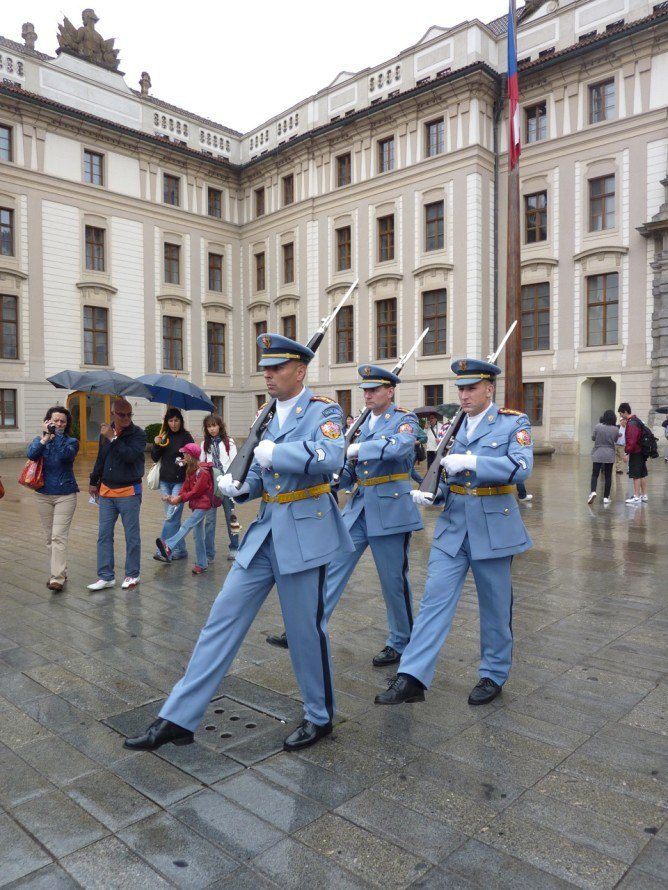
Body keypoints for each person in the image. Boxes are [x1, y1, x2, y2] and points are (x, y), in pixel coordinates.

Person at [124, 332, 355, 754]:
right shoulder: (264, 416)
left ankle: (319, 717)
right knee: (221, 618)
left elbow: (331, 458)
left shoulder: (325, 411)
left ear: (300, 371)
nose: (267, 374)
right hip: (266, 532)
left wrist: (274, 455)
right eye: (265, 367)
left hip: (305, 531)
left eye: (277, 367)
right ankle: (179, 716)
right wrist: (238, 486)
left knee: (305, 632)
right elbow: (257, 478)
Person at [375, 357, 533, 708]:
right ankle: (412, 677)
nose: (463, 395)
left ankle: (493, 672)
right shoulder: (454, 427)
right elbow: (448, 476)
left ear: (488, 388)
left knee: (494, 606)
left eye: (471, 388)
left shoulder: (512, 422)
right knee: (434, 600)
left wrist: (476, 462)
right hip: (453, 527)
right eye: (460, 388)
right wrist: (435, 494)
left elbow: (522, 467)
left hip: (494, 526)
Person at [267, 365, 423, 665]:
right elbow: (350, 470)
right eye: (365, 390)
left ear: (390, 391)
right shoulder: (362, 422)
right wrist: (336, 475)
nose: (368, 394)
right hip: (359, 507)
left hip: (390, 508)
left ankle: (401, 640)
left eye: (374, 389)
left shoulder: (404, 418)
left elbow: (401, 446)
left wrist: (357, 450)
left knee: (392, 580)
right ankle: (307, 627)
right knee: (334, 568)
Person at [87, 398, 146, 591]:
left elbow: (130, 456)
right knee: (104, 535)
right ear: (113, 414)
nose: (127, 417)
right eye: (122, 414)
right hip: (106, 492)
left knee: (132, 535)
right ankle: (106, 576)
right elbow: (101, 458)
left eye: (129, 414)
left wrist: (113, 438)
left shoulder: (138, 434)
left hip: (129, 491)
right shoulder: (105, 432)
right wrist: (93, 481)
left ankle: (132, 574)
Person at [26, 406, 79, 591]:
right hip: (43, 494)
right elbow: (31, 454)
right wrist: (45, 438)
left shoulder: (71, 441)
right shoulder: (40, 440)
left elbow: (66, 456)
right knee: (50, 537)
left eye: (62, 421)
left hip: (65, 494)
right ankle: (61, 570)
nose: (58, 424)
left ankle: (57, 578)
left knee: (58, 536)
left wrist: (55, 438)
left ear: (66, 424)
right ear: (47, 421)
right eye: (55, 420)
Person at [156, 443, 219, 574]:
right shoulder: (190, 469)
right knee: (197, 535)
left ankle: (169, 546)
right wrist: (173, 498)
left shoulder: (203, 472)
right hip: (196, 505)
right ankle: (202, 563)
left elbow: (196, 491)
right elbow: (185, 487)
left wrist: (179, 498)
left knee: (186, 525)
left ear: (191, 456)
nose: (183, 455)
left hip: (203, 505)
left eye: (185, 453)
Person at [150, 408, 194, 561]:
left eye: (176, 420)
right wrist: (156, 444)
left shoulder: (186, 436)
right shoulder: (164, 436)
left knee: (171, 517)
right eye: (170, 421)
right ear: (166, 422)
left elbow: (193, 456)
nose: (173, 424)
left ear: (180, 421)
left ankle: (161, 548)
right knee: (172, 518)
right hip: (164, 482)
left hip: (179, 481)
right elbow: (155, 458)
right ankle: (180, 550)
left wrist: (185, 460)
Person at [200, 414, 239, 561]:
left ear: (220, 426)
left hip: (227, 485)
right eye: (209, 426)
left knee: (231, 517)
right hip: (211, 487)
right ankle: (209, 553)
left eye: (214, 425)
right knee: (209, 520)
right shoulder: (205, 444)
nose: (212, 429)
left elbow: (235, 463)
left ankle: (235, 547)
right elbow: (202, 464)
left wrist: (233, 483)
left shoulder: (229, 443)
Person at [619, 402, 649, 505]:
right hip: (641, 451)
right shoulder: (637, 420)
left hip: (636, 452)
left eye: (621, 414)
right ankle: (644, 495)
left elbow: (632, 440)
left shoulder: (631, 423)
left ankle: (636, 496)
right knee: (642, 474)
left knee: (636, 475)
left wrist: (627, 453)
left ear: (625, 412)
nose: (621, 416)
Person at [588, 410, 619, 505]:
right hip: (609, 453)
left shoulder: (598, 426)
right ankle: (606, 497)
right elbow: (615, 439)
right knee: (608, 476)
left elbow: (593, 438)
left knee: (595, 474)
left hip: (598, 452)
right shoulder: (615, 429)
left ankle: (593, 491)